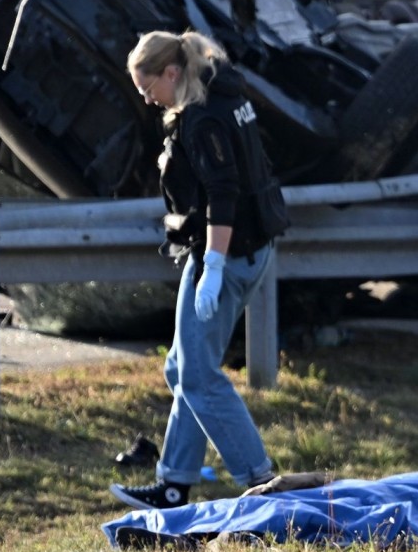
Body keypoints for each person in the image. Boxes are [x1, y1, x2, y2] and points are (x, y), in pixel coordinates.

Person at [110, 30, 290, 510]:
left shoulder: (202, 118)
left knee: (199, 377)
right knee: (182, 367)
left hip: (226, 252)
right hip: (244, 246)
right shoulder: (225, 93)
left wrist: (213, 265)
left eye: (149, 89)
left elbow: (224, 193)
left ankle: (260, 480)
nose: (147, 100)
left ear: (172, 72)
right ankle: (174, 484)